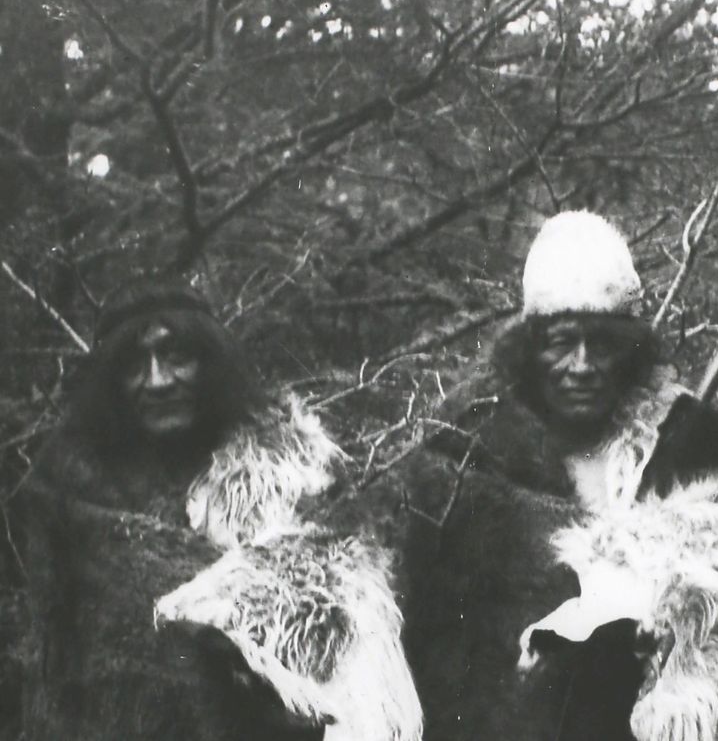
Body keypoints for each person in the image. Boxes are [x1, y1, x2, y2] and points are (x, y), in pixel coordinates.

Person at [14, 281, 421, 741]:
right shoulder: (66, 488)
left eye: (176, 356)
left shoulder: (295, 469)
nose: (158, 380)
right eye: (133, 364)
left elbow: (352, 630)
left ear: (210, 362)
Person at [393, 210, 718, 740]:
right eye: (560, 342)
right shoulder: (466, 454)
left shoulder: (688, 446)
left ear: (630, 352)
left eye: (601, 344)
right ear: (529, 350)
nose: (581, 366)